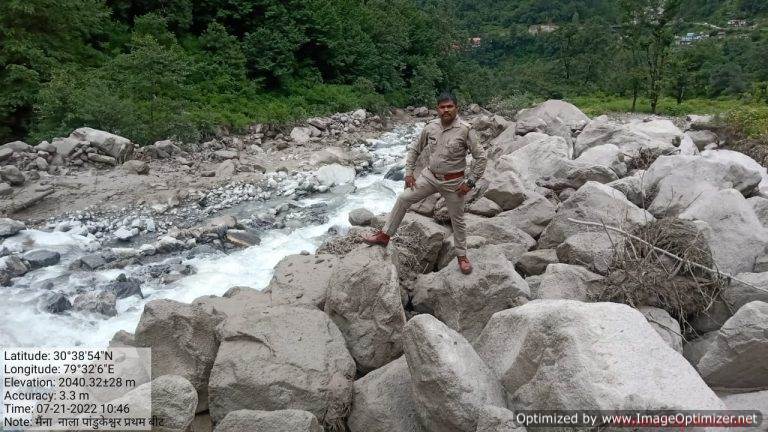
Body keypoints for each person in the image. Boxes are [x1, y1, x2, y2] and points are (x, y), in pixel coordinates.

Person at [362, 92, 487, 274]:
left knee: (457, 219)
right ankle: (384, 235)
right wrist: (409, 172)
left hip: (454, 183)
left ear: (456, 108)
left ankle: (461, 255)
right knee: (404, 198)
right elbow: (415, 149)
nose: (446, 110)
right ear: (437, 109)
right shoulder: (430, 127)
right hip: (429, 176)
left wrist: (471, 181)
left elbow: (481, 157)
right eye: (442, 107)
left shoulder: (466, 129)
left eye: (449, 106)